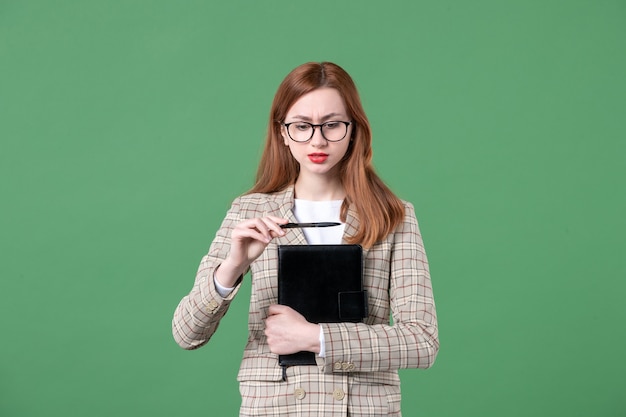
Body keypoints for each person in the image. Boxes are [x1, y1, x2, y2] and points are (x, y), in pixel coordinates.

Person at [172, 61, 439, 416]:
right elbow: (187, 334)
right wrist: (232, 266)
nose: (317, 139)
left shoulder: (392, 215)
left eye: (332, 125)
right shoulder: (249, 211)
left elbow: (422, 341)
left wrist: (315, 338)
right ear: (282, 132)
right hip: (274, 405)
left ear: (354, 130)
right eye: (301, 126)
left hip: (361, 407)